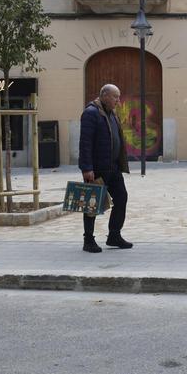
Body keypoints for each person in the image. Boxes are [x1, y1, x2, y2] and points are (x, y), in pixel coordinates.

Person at [78, 84, 131, 253]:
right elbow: (85, 143)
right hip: (97, 168)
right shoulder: (91, 113)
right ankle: (88, 240)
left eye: (118, 96)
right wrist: (87, 168)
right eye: (115, 97)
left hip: (113, 167)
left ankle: (114, 235)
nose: (118, 100)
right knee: (91, 204)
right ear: (105, 95)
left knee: (121, 198)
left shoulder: (111, 113)